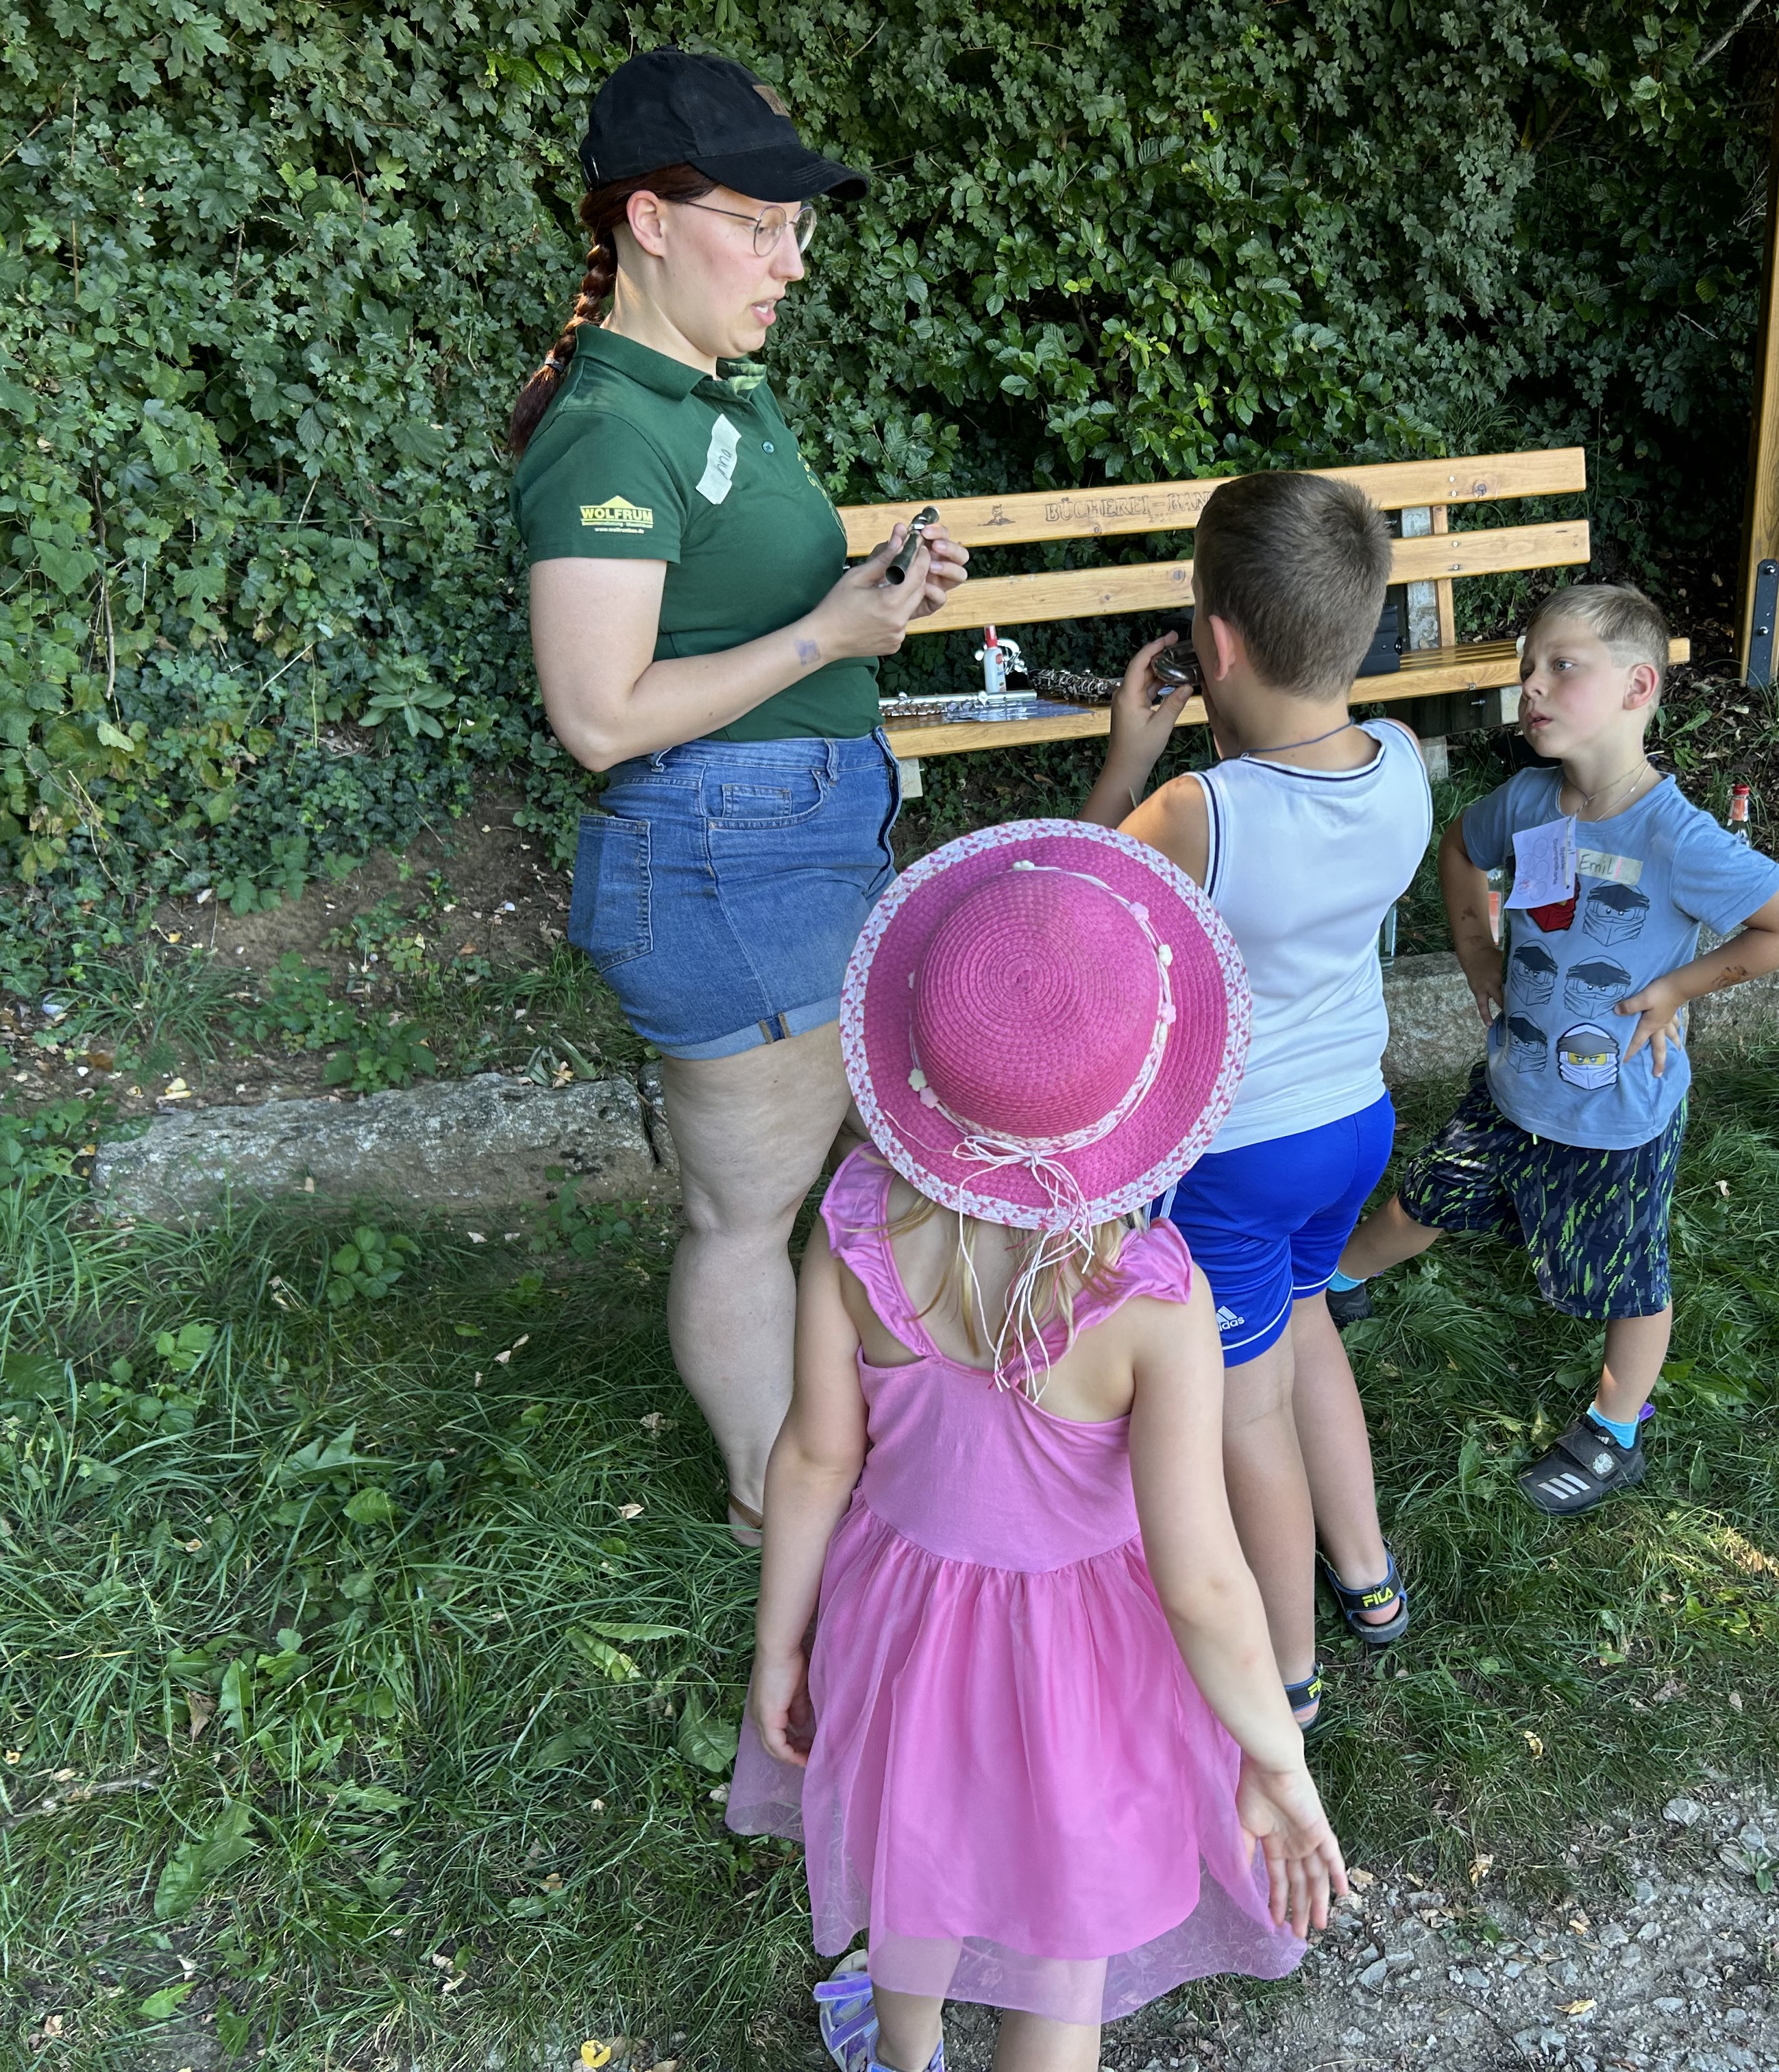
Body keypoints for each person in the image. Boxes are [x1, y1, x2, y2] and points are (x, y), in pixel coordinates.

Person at [731, 821, 1347, 2072]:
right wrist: (1276, 1756)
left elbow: (812, 1460)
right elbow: (1202, 1579)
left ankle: (900, 2050)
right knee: (1068, 1937)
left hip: (900, 1619)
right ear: (1147, 1093)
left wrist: (778, 1640)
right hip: (1092, 1659)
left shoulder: (856, 1224)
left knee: (912, 1861)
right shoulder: (1153, 1302)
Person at [511, 49, 970, 1545]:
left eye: (798, 229)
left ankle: (827, 1457)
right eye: (758, 227)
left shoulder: (712, 392)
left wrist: (869, 596)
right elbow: (597, 715)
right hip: (721, 857)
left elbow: (742, 612)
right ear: (649, 220)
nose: (791, 262)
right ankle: (776, 1508)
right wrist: (828, 634)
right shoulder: (610, 431)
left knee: (810, 1189)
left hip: (790, 839)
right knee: (744, 1216)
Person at [1323, 585, 1779, 1514]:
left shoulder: (1676, 836)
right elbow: (1459, 850)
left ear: (1639, 687)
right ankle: (1338, 1279)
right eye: (1529, 669)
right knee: (1429, 1194)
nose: (1533, 686)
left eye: (1563, 667)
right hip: (1512, 1084)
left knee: (1626, 1276)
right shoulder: (1528, 801)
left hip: (1614, 1116)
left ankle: (1614, 1430)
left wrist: (1676, 989)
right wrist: (1477, 950)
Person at [1081, 471, 1434, 1728]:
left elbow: (1071, 917)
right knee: (1308, 1319)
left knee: (1249, 1406)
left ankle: (1286, 1670)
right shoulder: (1401, 762)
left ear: (1214, 646)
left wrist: (1129, 757)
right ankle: (1368, 1576)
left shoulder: (1197, 809)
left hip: (1235, 1154)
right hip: (1353, 1124)